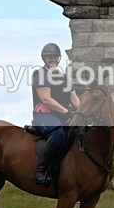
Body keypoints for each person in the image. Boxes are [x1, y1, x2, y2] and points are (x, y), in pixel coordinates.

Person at [31, 43, 80, 185]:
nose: (52, 59)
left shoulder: (64, 77)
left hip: (62, 116)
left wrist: (83, 113)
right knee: (59, 134)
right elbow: (46, 99)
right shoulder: (41, 75)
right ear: (43, 58)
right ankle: (40, 172)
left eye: (55, 57)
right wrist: (67, 112)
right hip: (44, 116)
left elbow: (74, 99)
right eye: (49, 57)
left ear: (59, 58)